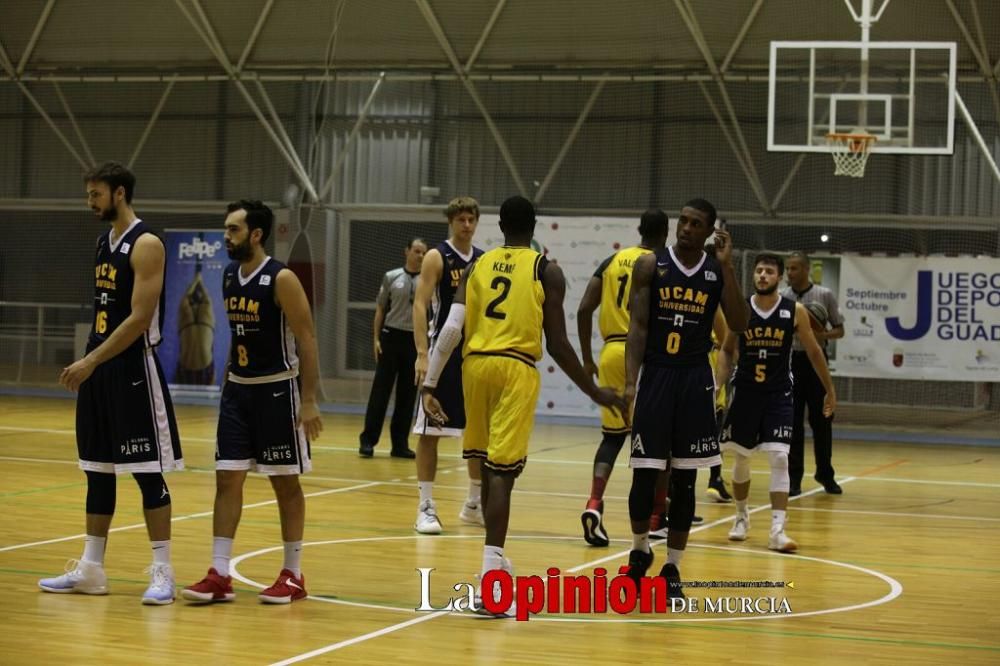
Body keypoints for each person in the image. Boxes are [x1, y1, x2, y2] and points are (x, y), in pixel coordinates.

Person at [420, 195, 623, 616]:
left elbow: (452, 327)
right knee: (501, 475)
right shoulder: (546, 269)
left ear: (499, 225)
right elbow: (559, 344)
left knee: (486, 467)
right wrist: (593, 391)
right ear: (533, 226)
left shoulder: (477, 264)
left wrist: (430, 384)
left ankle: (497, 567)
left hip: (474, 368)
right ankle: (491, 582)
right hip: (515, 367)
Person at [39, 161, 183, 605]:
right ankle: (91, 569)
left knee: (145, 472)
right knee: (97, 470)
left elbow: (139, 320)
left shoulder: (147, 244)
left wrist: (90, 361)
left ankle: (163, 573)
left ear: (119, 193)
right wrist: (90, 363)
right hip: (99, 367)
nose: (90, 202)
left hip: (132, 370)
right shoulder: (104, 241)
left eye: (96, 194)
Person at [182, 200, 323, 605]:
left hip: (277, 391)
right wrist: (226, 381)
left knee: (284, 482)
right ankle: (220, 572)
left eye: (233, 230)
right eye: (227, 229)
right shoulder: (228, 275)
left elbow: (307, 338)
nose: (226, 236)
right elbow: (237, 337)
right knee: (227, 478)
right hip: (238, 392)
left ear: (256, 234)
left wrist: (309, 400)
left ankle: (293, 574)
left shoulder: (281, 279)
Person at [622, 198, 750, 598]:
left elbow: (741, 323)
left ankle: (673, 568)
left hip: (695, 380)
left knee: (685, 479)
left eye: (697, 224)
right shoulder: (651, 265)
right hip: (657, 376)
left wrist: (728, 265)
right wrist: (630, 385)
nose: (687, 228)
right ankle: (641, 550)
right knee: (645, 474)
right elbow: (638, 328)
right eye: (684, 221)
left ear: (710, 231)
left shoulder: (715, 272)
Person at [716, 253, 837, 552]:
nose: (762, 276)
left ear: (779, 278)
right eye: (758, 271)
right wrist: (717, 385)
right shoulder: (741, 308)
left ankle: (777, 530)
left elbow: (814, 351)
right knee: (742, 458)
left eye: (769, 272)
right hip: (745, 392)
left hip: (779, 393)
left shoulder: (794, 310)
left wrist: (829, 390)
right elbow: (727, 349)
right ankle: (741, 517)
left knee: (780, 457)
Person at [577, 209, 670, 547]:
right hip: (643, 353)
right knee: (660, 442)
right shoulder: (661, 263)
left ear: (639, 230)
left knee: (612, 437)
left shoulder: (612, 261)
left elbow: (585, 308)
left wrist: (588, 360)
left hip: (611, 352)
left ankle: (594, 504)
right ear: (666, 233)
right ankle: (659, 515)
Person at [412, 197, 484, 534]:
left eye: (471, 219)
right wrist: (422, 352)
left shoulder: (484, 260)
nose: (466, 225)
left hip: (474, 355)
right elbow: (420, 303)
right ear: (451, 222)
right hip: (442, 352)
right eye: (461, 220)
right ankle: (425, 506)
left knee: (478, 432)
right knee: (430, 432)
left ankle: (474, 503)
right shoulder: (436, 256)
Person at [781, 251, 845, 496]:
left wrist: (821, 336)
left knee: (822, 421)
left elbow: (840, 330)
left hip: (815, 361)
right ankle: (794, 478)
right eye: (788, 268)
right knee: (793, 423)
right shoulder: (783, 296)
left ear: (807, 269)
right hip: (791, 361)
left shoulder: (824, 295)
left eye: (795, 268)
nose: (790, 272)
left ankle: (825, 474)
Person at [358, 239, 427, 458]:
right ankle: (368, 441)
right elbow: (380, 309)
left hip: (413, 340)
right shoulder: (392, 276)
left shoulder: (428, 280)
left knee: (407, 395)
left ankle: (399, 444)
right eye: (416, 251)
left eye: (424, 253)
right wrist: (376, 338)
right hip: (391, 336)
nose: (420, 256)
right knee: (381, 391)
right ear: (407, 251)